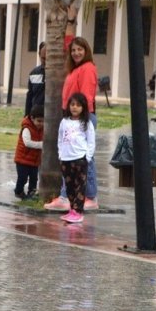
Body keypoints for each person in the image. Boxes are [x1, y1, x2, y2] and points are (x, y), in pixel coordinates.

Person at [45, 32, 99, 211]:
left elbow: (85, 96)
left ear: (86, 51)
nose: (76, 53)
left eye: (80, 49)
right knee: (70, 157)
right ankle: (66, 195)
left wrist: (79, 117)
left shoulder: (88, 68)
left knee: (85, 158)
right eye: (73, 50)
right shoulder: (75, 69)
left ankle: (89, 196)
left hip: (82, 117)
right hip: (72, 117)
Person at [57, 92, 95, 224]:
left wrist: (87, 157)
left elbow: (91, 141)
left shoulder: (86, 123)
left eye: (78, 105)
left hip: (80, 158)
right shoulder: (64, 122)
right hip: (66, 159)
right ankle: (72, 210)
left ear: (83, 107)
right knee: (69, 186)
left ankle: (78, 212)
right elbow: (60, 139)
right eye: (72, 104)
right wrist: (60, 154)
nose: (75, 107)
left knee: (80, 186)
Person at [14, 104, 45, 200]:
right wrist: (42, 145)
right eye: (39, 121)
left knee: (34, 179)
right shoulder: (26, 128)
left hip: (34, 160)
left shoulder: (42, 128)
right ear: (32, 118)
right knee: (22, 178)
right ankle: (18, 191)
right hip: (22, 160)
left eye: (43, 121)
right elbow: (27, 143)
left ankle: (31, 193)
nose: (41, 124)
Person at [24, 41, 46, 117]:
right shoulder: (33, 73)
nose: (46, 61)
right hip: (36, 116)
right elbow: (29, 96)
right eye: (43, 58)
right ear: (39, 55)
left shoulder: (59, 75)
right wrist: (27, 115)